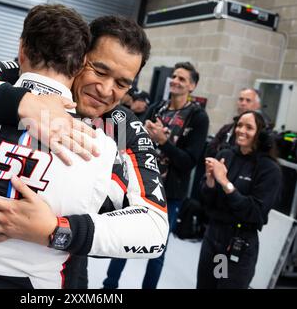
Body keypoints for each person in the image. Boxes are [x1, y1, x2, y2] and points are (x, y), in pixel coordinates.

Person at [0, 5, 167, 289]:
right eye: (99, 71)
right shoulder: (14, 75)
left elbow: (154, 230)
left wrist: (57, 230)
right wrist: (22, 103)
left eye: (122, 84)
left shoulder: (121, 125)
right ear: (79, 58)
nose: (105, 89)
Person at [103, 62, 209, 289]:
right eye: (174, 77)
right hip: (140, 185)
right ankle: (109, 287)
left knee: (157, 248)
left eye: (182, 78)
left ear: (192, 85)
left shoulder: (198, 118)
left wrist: (164, 142)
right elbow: (134, 143)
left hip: (170, 194)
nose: (175, 81)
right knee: (125, 239)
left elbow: (189, 162)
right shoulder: (156, 108)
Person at [197, 110, 281, 288]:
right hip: (214, 237)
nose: (241, 130)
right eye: (240, 125)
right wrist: (211, 181)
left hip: (238, 243)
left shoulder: (269, 169)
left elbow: (256, 212)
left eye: (249, 127)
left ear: (261, 135)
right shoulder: (226, 155)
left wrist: (225, 182)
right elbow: (207, 200)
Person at [206, 88, 262, 158]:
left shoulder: (261, 132)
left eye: (248, 100)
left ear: (257, 105)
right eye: (241, 99)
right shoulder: (227, 129)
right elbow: (210, 150)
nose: (243, 103)